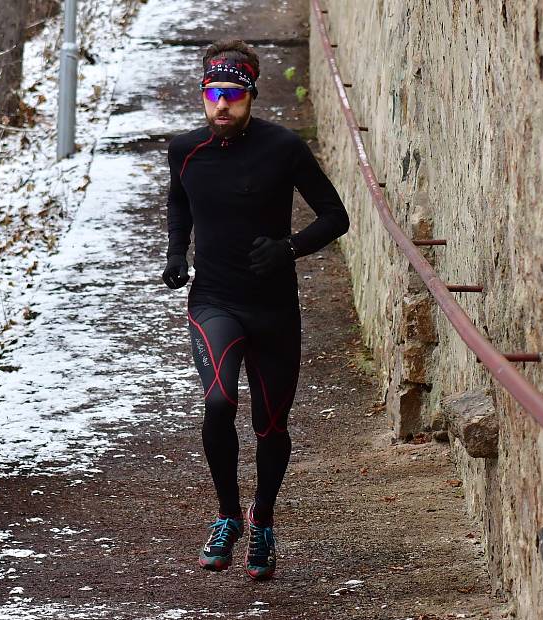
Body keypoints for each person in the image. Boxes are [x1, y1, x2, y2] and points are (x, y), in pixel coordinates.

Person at [162, 39, 349, 581]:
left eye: (234, 95)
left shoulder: (283, 147)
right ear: (203, 96)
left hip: (273, 309)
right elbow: (180, 200)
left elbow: (335, 216)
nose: (222, 105)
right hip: (215, 299)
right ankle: (227, 515)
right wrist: (177, 254)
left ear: (251, 95)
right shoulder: (185, 150)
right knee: (219, 401)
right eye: (213, 94)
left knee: (271, 424)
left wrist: (287, 247)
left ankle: (261, 516)